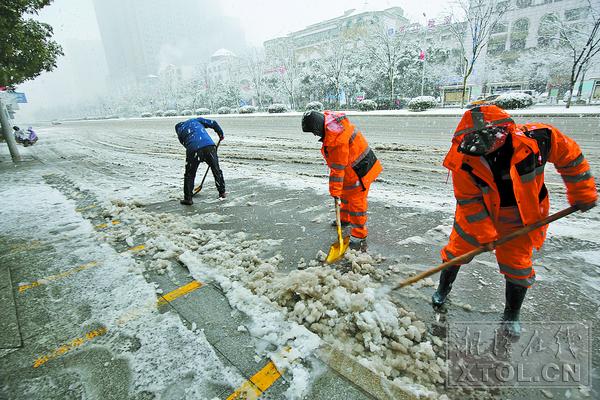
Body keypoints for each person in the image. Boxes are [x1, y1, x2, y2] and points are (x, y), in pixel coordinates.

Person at [433, 104, 597, 337]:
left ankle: (511, 314)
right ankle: (442, 290)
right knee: (456, 252)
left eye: (487, 142)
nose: (483, 150)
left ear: (504, 131)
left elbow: (571, 158)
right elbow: (469, 201)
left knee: (517, 267)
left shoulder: (539, 139)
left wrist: (583, 193)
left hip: (523, 217)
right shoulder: (463, 158)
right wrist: (485, 235)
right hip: (477, 215)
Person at [301, 110, 383, 251]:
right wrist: (338, 192)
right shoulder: (333, 125)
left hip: (360, 172)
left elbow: (337, 170)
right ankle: (344, 219)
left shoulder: (336, 140)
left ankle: (359, 234)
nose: (315, 135)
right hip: (356, 166)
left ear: (318, 127)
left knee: (356, 204)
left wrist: (334, 191)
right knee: (344, 195)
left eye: (314, 132)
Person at [175, 117, 226, 205]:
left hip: (193, 149)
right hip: (209, 146)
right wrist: (220, 134)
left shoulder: (180, 132)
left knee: (189, 174)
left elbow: (186, 144)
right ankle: (222, 193)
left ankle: (188, 198)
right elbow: (213, 123)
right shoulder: (195, 121)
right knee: (216, 170)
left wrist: (197, 154)